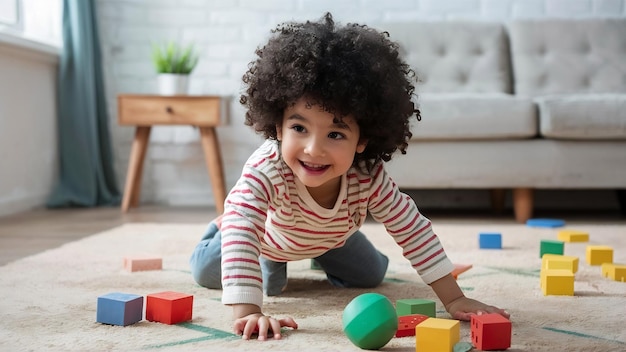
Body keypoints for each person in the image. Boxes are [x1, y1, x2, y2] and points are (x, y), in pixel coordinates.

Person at [190, 12, 509, 341]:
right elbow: (244, 232)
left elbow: (410, 227)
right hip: (267, 238)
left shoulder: (368, 175)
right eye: (299, 128)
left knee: (372, 274)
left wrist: (454, 298)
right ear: (277, 126)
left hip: (332, 235)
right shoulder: (266, 169)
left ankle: (314, 253)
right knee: (219, 271)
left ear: (363, 140)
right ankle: (221, 226)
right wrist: (249, 313)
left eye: (336, 135)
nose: (314, 149)